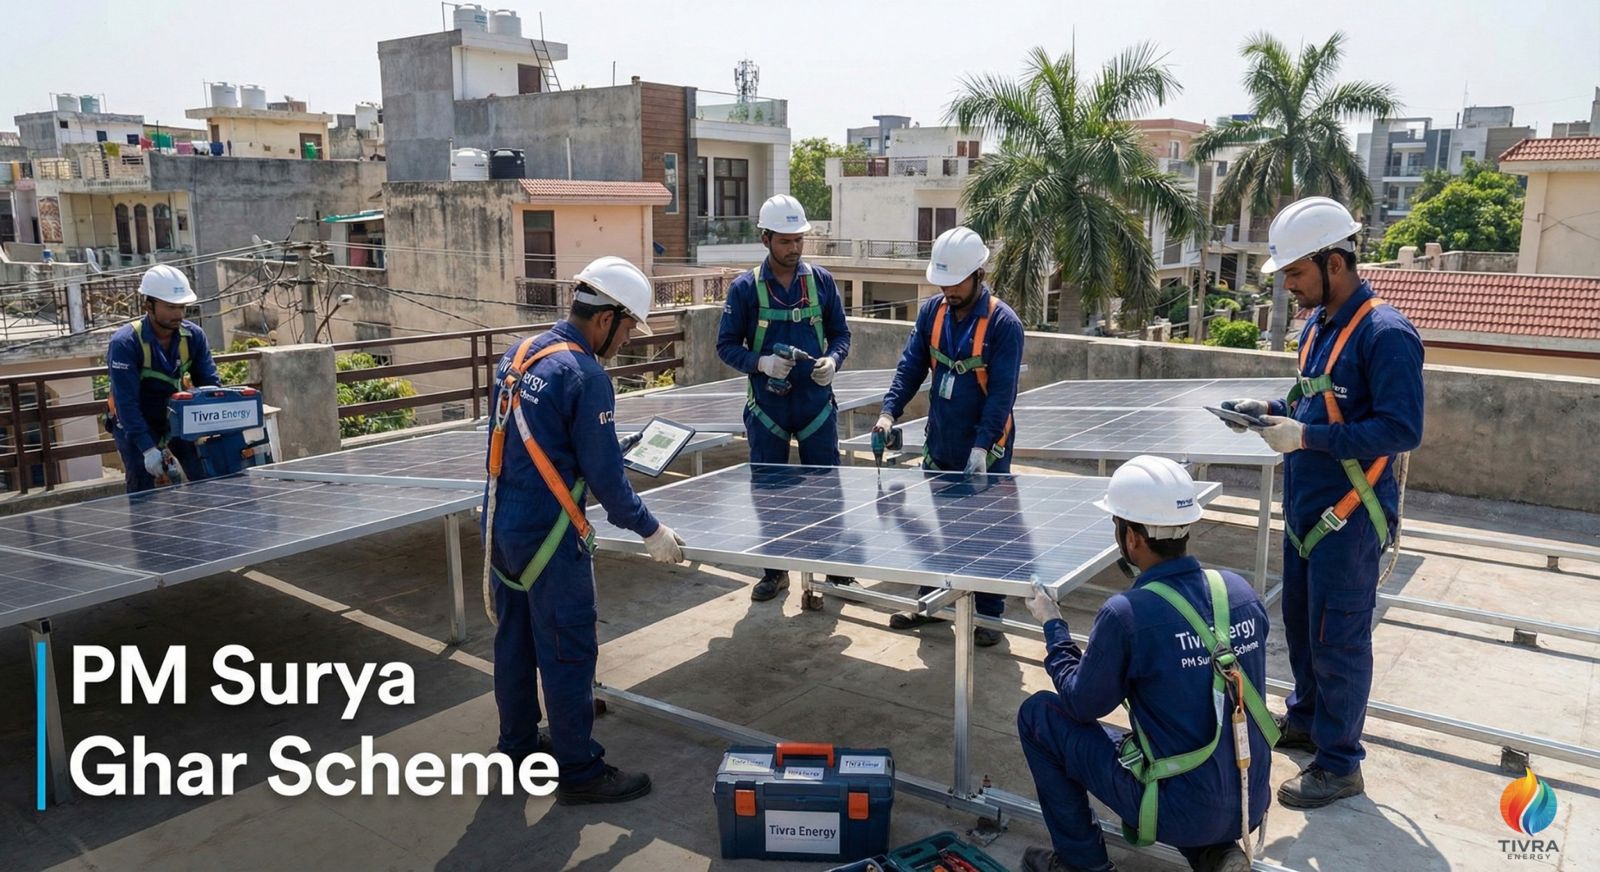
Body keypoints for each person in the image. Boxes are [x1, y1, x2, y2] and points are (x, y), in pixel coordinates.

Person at [1220, 196, 1423, 809]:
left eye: (1296, 272)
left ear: (1336, 263)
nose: (1289, 285)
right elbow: (1309, 403)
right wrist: (1271, 414)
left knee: (1340, 639)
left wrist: (1305, 437)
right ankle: (1307, 719)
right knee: (1304, 629)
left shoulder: (1385, 335)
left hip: (1351, 516)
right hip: (1310, 510)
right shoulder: (1316, 327)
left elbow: (1401, 428)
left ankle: (1340, 763)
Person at [482, 255, 687, 805]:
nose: (623, 343)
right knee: (569, 649)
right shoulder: (586, 375)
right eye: (627, 331)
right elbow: (608, 487)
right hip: (551, 536)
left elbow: (536, 442)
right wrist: (651, 530)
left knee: (515, 642)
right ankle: (578, 771)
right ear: (608, 319)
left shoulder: (517, 355)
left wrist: (600, 452)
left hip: (501, 525)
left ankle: (519, 746)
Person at [1017, 456, 1275, 872]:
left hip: (1180, 809)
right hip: (1249, 798)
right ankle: (1213, 853)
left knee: (1039, 716)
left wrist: (1054, 628)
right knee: (1180, 734)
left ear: (1132, 537)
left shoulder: (1128, 614)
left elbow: (1082, 704)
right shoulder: (1239, 591)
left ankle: (1084, 865)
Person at [874, 226, 1023, 647]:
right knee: (939, 527)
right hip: (941, 440)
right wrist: (888, 414)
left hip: (986, 446)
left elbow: (1002, 394)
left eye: (955, 280)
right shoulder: (932, 313)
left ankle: (989, 615)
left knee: (986, 532)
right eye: (942, 280)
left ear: (978, 273)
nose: (948, 289)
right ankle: (934, 602)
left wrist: (982, 447)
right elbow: (911, 367)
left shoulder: (1002, 324)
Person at [716, 194, 853, 602]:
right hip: (767, 411)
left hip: (816, 408)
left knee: (826, 491)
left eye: (799, 240)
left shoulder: (821, 283)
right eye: (785, 241)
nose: (794, 248)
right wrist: (760, 364)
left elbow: (842, 334)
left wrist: (833, 359)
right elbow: (725, 346)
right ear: (765, 239)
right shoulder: (745, 290)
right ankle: (774, 571)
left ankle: (834, 568)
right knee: (770, 493)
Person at [105, 264, 220, 492]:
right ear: (148, 305)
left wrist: (213, 423)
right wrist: (147, 449)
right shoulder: (125, 343)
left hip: (176, 419)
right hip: (134, 422)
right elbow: (126, 402)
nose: (178, 314)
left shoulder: (193, 337)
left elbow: (210, 385)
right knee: (142, 489)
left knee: (205, 476)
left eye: (182, 307)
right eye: (170, 307)